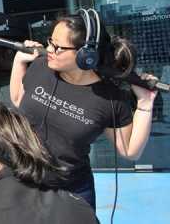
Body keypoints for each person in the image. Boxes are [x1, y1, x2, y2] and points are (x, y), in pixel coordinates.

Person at [10, 12, 158, 209]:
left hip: (72, 190)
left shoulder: (110, 98)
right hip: (24, 181)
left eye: (58, 47)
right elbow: (18, 99)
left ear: (86, 54)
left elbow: (130, 151)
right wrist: (19, 61)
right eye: (50, 42)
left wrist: (145, 103)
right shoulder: (40, 67)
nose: (49, 49)